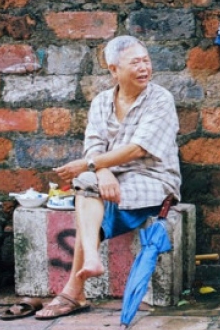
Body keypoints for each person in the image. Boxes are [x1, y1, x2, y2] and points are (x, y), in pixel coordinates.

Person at [35, 35, 181, 320]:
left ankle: (74, 290)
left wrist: (90, 165)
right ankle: (90, 258)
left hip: (154, 178)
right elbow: (93, 145)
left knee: (86, 185)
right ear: (114, 69)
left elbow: (137, 149)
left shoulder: (160, 99)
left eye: (146, 61)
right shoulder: (102, 102)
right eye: (135, 63)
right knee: (86, 185)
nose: (144, 68)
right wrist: (100, 171)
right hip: (110, 177)